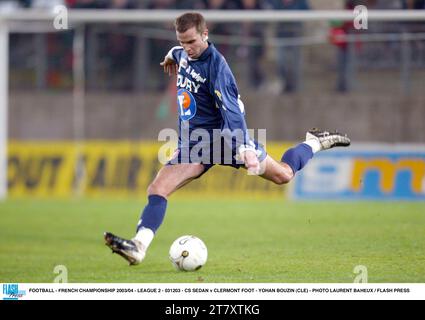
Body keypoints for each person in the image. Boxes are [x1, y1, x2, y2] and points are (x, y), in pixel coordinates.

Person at [104, 12, 351, 265]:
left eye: (191, 42)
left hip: (224, 141)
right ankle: (138, 247)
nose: (187, 48)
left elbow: (231, 112)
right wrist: (170, 54)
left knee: (284, 175)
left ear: (205, 34)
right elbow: (176, 52)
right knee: (157, 189)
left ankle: (313, 142)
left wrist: (244, 148)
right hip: (195, 144)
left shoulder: (218, 67)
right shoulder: (182, 53)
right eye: (182, 41)